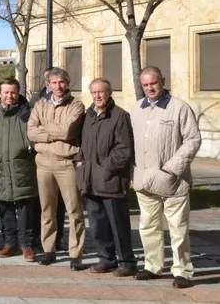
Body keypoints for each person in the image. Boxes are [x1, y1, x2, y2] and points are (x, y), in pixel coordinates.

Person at [131, 66, 201, 289]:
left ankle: (182, 271)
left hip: (173, 181)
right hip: (145, 181)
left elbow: (192, 140)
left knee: (178, 228)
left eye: (153, 83)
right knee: (148, 226)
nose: (150, 88)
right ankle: (152, 266)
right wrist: (133, 171)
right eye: (145, 85)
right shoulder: (136, 109)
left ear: (162, 81)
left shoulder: (179, 108)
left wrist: (172, 168)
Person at [27, 67, 87, 269]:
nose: (58, 86)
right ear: (48, 85)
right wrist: (53, 133)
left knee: (74, 210)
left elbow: (69, 131)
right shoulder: (40, 105)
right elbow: (31, 132)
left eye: (61, 82)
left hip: (65, 162)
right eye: (54, 83)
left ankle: (75, 253)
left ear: (67, 83)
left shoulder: (76, 105)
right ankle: (49, 250)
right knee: (47, 209)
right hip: (43, 162)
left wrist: (44, 130)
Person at [76, 78, 136, 276]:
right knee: (98, 225)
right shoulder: (88, 116)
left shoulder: (119, 116)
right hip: (90, 181)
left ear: (109, 93)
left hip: (111, 180)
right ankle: (106, 259)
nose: (97, 96)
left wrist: (105, 169)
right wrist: (80, 162)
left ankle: (127, 262)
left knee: (118, 225)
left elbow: (124, 149)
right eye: (94, 93)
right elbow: (81, 144)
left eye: (101, 92)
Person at [0, 78, 38, 262]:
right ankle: (9, 244)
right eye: (6, 92)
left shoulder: (28, 114)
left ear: (18, 93)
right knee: (4, 208)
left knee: (25, 209)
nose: (9, 96)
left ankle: (27, 245)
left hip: (22, 169)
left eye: (13, 92)